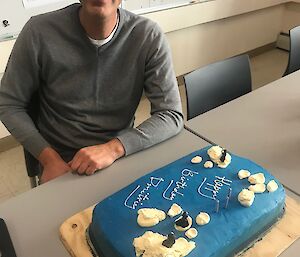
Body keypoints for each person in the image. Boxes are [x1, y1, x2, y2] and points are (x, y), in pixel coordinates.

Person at [0, 0, 183, 183]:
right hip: (61, 162)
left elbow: (170, 114)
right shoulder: (38, 31)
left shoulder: (148, 36)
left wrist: (113, 149)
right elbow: (8, 104)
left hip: (119, 156)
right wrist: (49, 159)